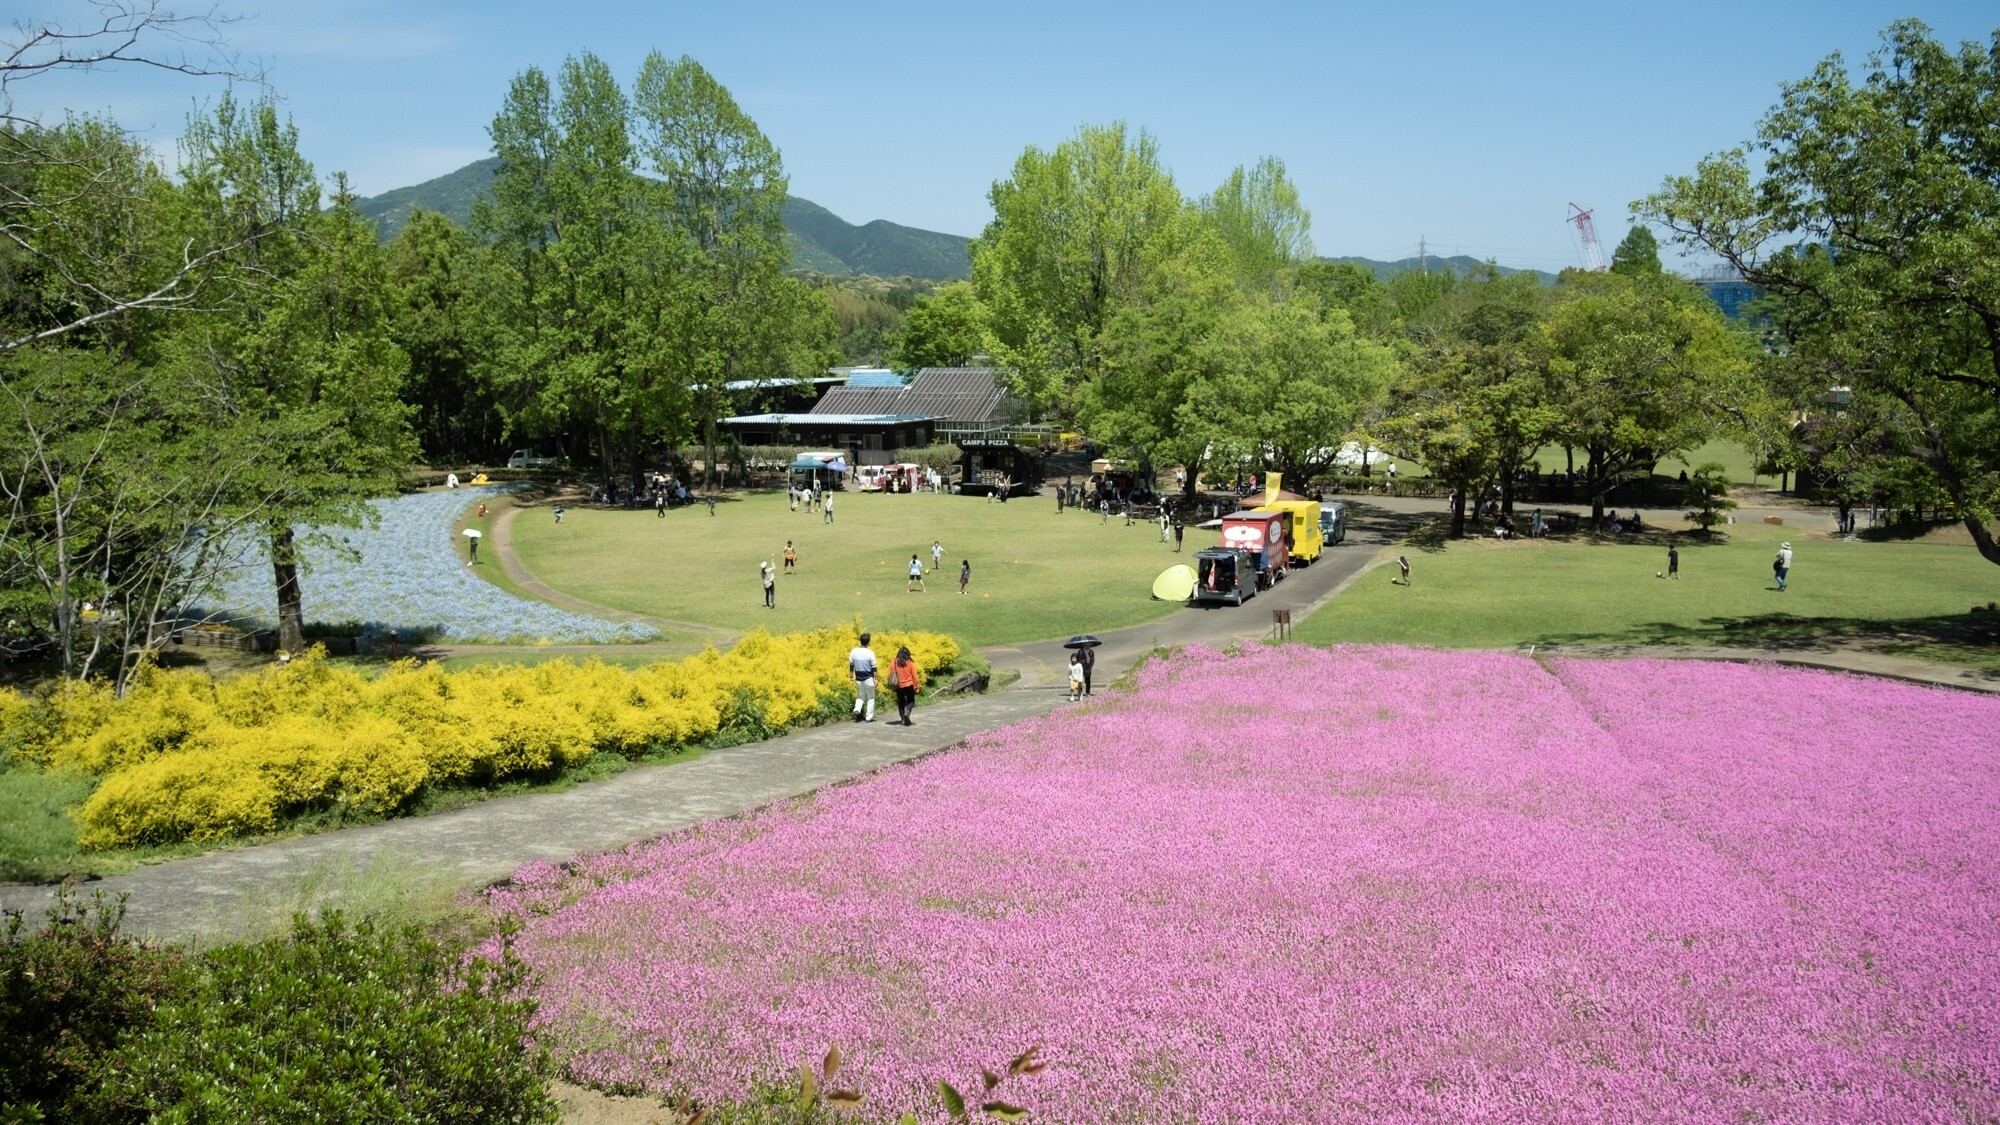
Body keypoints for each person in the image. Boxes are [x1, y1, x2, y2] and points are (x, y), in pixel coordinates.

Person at [890, 645, 923, 726]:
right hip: (909, 685)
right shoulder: (910, 662)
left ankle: (902, 720)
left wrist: (892, 687)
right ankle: (907, 713)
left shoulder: (894, 662)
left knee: (901, 702)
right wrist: (917, 686)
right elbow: (914, 676)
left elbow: (890, 674)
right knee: (911, 700)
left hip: (898, 686)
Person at [848, 632, 877, 722]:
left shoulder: (854, 651)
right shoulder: (870, 653)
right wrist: (876, 679)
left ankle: (857, 709)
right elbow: (874, 668)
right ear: (868, 642)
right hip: (868, 678)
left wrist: (851, 677)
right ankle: (868, 717)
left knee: (860, 696)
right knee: (870, 698)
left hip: (858, 678)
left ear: (860, 641)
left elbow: (851, 665)